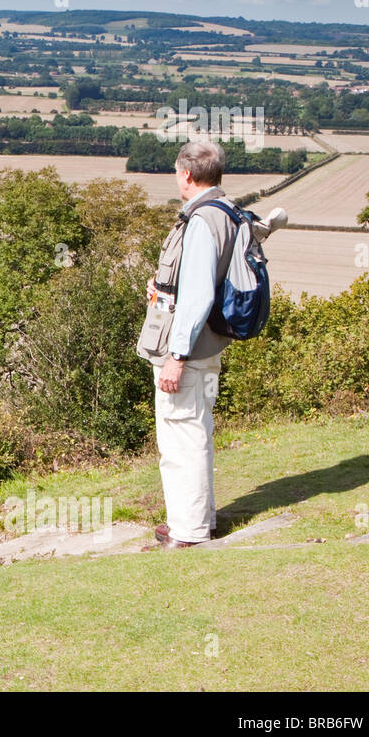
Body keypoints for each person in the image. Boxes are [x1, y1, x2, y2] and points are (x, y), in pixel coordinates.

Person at [136, 140, 241, 550]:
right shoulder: (227, 212)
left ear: (186, 174)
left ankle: (189, 532)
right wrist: (163, 291)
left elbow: (198, 295)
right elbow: (202, 281)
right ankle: (202, 519)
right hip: (209, 345)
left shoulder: (201, 221)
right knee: (196, 432)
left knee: (181, 440)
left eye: (176, 172)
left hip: (188, 351)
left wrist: (175, 357)